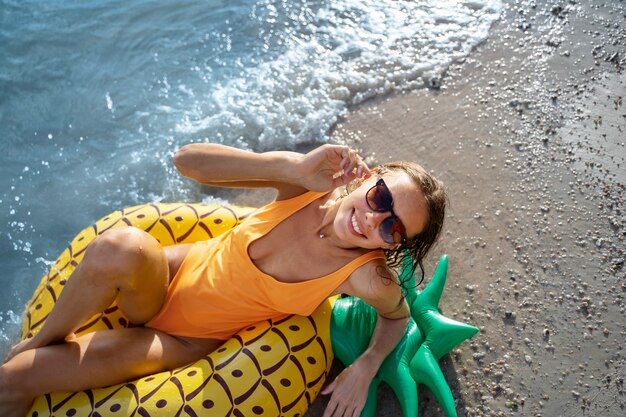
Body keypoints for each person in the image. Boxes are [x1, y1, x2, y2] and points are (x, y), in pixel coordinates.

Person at [0, 143, 446, 417]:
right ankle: (40, 341)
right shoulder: (308, 185)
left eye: (392, 228)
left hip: (180, 340)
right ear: (370, 175)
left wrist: (365, 366)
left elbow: (397, 317)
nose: (372, 219)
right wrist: (287, 169)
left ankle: (27, 361)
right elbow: (186, 162)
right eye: (382, 196)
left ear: (393, 246)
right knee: (119, 245)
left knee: (12, 380)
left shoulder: (364, 276)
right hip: (160, 283)